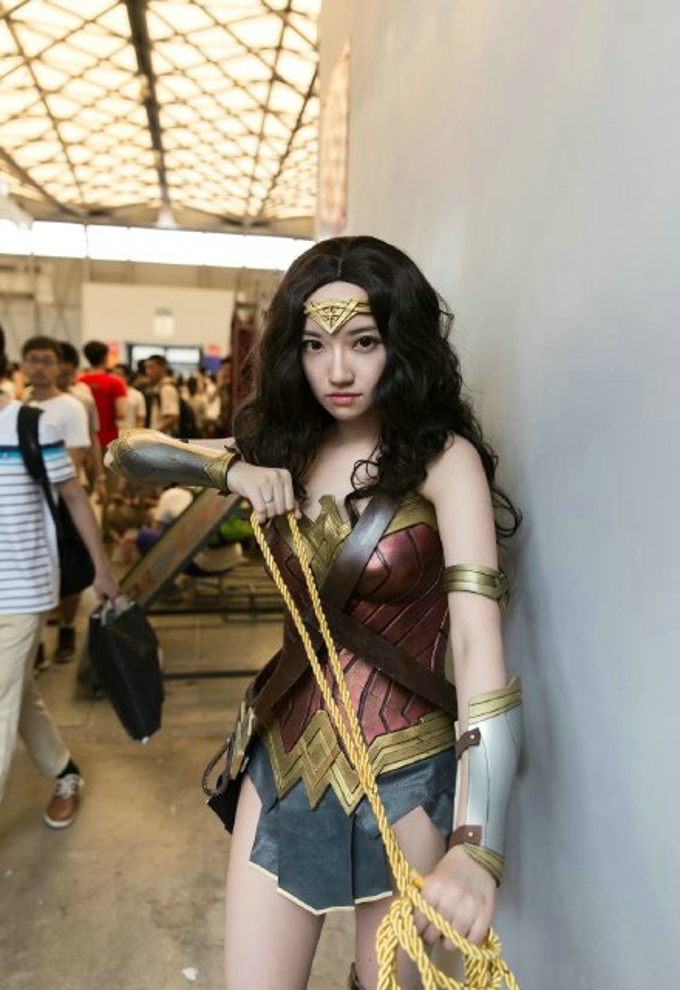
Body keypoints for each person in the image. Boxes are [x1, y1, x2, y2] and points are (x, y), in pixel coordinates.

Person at [107, 235, 524, 990]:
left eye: (363, 342)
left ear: (401, 344)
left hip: (408, 769)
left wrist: (477, 844)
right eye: (314, 345)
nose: (337, 371)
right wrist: (230, 470)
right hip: (285, 756)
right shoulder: (282, 446)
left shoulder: (443, 460)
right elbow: (126, 453)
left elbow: (476, 646)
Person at [0, 373, 118, 826]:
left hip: (23, 591)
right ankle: (64, 770)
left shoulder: (31, 426)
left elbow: (73, 497)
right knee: (17, 693)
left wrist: (101, 569)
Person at [79, 340, 127, 449]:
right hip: (108, 438)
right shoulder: (116, 382)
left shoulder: (79, 381)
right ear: (105, 357)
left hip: (84, 437)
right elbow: (121, 414)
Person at [143, 354, 179, 436]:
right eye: (146, 368)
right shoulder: (158, 388)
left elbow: (172, 417)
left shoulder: (167, 389)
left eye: (151, 367)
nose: (147, 371)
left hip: (164, 438)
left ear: (162, 368)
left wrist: (153, 433)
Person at [111, 363, 146, 430]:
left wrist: (135, 434)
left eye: (118, 374)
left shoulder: (136, 395)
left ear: (127, 377)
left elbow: (140, 419)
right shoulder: (108, 393)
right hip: (111, 433)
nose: (114, 377)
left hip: (129, 433)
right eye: (113, 374)